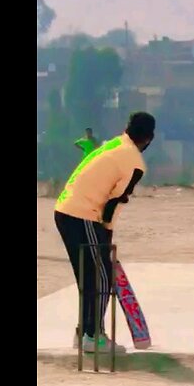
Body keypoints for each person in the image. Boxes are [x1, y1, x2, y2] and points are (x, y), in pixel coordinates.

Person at [55, 112, 153, 353]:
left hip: (65, 209)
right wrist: (107, 232)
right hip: (83, 214)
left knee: (89, 277)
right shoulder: (135, 162)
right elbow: (115, 202)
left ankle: (84, 333)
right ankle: (93, 336)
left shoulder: (114, 143)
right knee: (101, 278)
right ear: (150, 138)